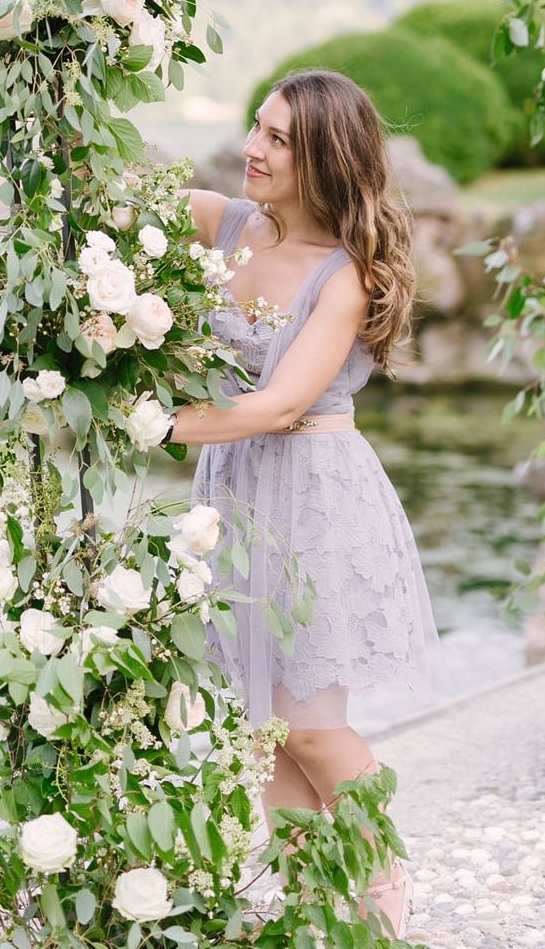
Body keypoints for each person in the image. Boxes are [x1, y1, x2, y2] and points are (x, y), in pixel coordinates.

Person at [166, 69, 437, 938]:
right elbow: (116, 198)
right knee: (263, 727)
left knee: (310, 723)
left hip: (314, 496)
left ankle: (384, 885)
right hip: (235, 494)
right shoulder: (225, 223)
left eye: (279, 138)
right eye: (256, 127)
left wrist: (160, 424)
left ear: (322, 156)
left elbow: (282, 404)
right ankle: (320, 896)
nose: (253, 147)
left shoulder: (346, 273)